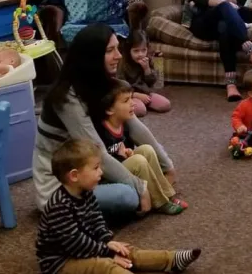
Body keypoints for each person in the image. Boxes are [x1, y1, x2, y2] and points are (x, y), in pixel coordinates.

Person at [32, 23, 178, 217]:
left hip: (93, 172)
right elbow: (97, 150)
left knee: (140, 162)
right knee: (128, 196)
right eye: (110, 50)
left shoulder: (105, 85)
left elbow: (135, 127)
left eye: (117, 48)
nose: (118, 55)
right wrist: (140, 187)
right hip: (64, 185)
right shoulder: (67, 97)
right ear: (91, 58)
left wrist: (168, 166)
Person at [36, 139, 201, 274]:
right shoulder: (59, 206)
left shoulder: (86, 192)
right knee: (107, 266)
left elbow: (97, 221)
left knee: (125, 251)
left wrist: (108, 242)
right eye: (95, 168)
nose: (101, 172)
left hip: (85, 248)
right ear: (74, 175)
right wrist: (106, 252)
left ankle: (170, 260)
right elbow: (76, 244)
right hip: (61, 263)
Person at [95, 80, 187, 215]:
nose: (132, 103)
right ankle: (161, 202)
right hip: (107, 178)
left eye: (132, 98)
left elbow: (122, 151)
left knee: (146, 150)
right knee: (138, 161)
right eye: (126, 101)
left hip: (122, 169)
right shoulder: (100, 131)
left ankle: (168, 194)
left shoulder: (124, 125)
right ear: (109, 109)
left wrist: (127, 152)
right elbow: (103, 161)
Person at [118, 2, 171, 117]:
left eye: (143, 50)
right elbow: (119, 87)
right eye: (136, 51)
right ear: (128, 50)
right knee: (140, 110)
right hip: (129, 94)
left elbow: (153, 82)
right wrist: (135, 95)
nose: (141, 54)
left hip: (145, 92)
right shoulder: (123, 63)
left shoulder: (147, 59)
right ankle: (137, 103)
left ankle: (142, 102)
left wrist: (147, 69)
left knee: (165, 105)